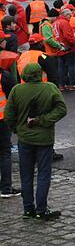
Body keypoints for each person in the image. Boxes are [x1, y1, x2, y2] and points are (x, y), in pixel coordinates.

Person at [4, 63, 67, 220]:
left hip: (24, 139)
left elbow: (9, 115)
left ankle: (27, 208)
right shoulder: (49, 88)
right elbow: (61, 109)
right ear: (40, 74)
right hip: (44, 139)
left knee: (26, 174)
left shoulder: (17, 90)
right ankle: (41, 208)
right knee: (44, 174)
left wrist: (17, 129)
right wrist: (43, 120)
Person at [0, 34, 19, 199]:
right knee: (5, 152)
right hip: (1, 120)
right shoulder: (4, 76)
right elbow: (13, 96)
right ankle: (5, 187)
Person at [54, 8, 75, 91]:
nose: (70, 17)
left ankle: (61, 85)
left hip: (59, 48)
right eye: (70, 15)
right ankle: (72, 84)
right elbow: (67, 36)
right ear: (67, 15)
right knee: (71, 66)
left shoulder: (55, 23)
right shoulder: (64, 23)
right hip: (68, 48)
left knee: (61, 67)